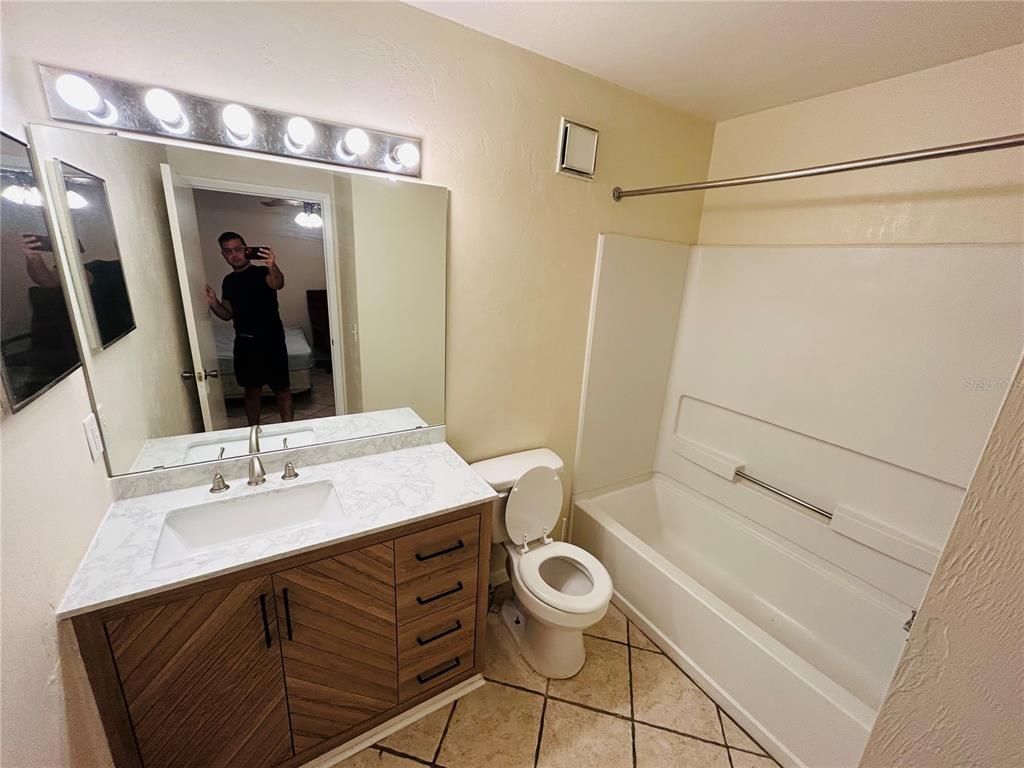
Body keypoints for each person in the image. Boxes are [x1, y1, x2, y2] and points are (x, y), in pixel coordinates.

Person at [204, 231, 292, 425]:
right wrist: (213, 302)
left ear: (246, 249)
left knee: (282, 390)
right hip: (245, 343)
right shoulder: (228, 281)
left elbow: (278, 283)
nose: (234, 254)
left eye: (238, 249)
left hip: (272, 341)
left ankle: (289, 431)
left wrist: (272, 264)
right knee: (251, 393)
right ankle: (254, 432)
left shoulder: (262, 273)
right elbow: (227, 314)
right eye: (228, 251)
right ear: (223, 255)